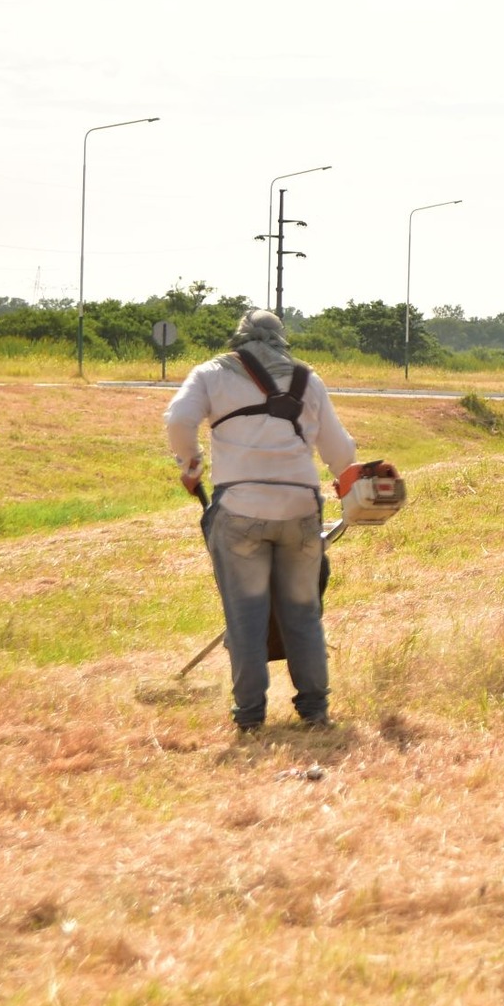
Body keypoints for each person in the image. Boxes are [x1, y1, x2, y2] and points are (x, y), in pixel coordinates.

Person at [164, 309, 358, 733]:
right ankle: (314, 710)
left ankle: (250, 716)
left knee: (246, 616)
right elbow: (342, 454)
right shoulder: (309, 380)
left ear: (240, 340)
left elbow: (178, 420)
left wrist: (191, 464)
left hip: (240, 510)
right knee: (303, 613)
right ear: (281, 342)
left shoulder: (212, 372)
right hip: (301, 510)